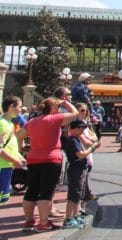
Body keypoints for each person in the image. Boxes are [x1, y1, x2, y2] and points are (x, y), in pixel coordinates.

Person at [18, 96, 79, 232]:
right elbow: (75, 114)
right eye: (57, 107)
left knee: (31, 191)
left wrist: (21, 148)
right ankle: (43, 223)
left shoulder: (32, 121)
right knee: (45, 192)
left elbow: (19, 135)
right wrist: (67, 103)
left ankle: (28, 222)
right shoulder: (55, 119)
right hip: (51, 159)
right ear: (53, 108)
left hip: (33, 158)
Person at [62, 119, 100, 229]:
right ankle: (69, 218)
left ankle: (75, 215)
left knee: (78, 194)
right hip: (76, 169)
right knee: (73, 195)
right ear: (76, 128)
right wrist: (93, 148)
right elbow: (81, 155)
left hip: (80, 168)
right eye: (82, 128)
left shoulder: (76, 139)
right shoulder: (72, 140)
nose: (83, 130)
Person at [1, 95, 27, 204]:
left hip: (7, 166)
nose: (20, 110)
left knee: (3, 199)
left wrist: (19, 156)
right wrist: (14, 160)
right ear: (11, 106)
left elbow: (10, 145)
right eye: (19, 107)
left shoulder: (10, 123)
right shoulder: (2, 124)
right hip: (2, 167)